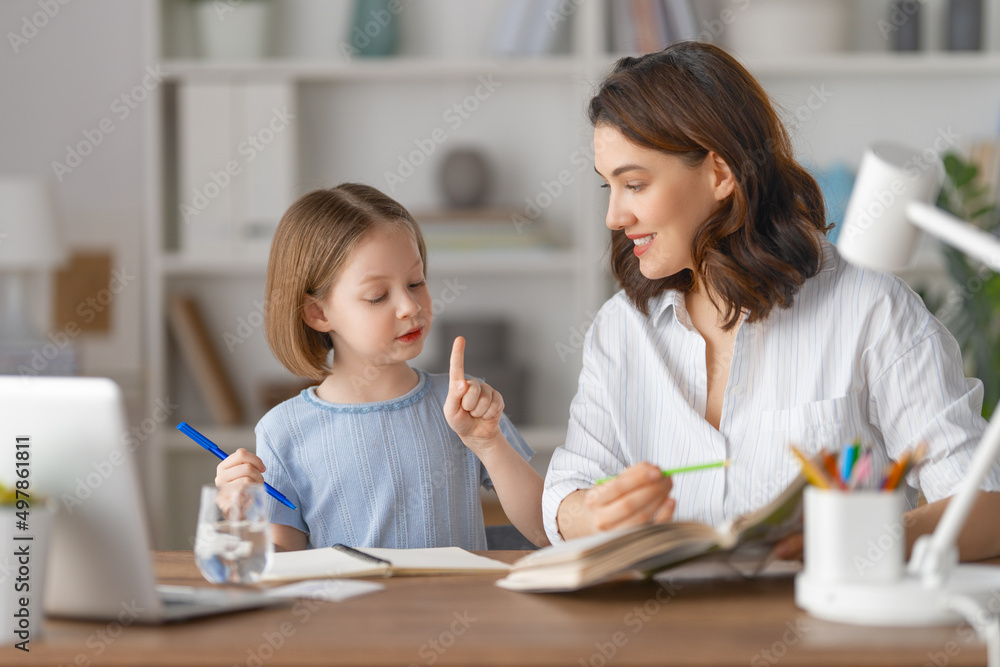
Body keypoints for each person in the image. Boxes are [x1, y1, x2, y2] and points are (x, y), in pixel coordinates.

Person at [543, 42, 1000, 561]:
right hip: (664, 632)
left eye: (634, 184)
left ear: (719, 174)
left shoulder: (872, 311)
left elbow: (985, 508)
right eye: (608, 186)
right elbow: (568, 487)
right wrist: (591, 515)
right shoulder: (622, 328)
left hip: (830, 629)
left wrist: (864, 538)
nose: (614, 216)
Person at [215, 183, 549, 551]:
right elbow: (285, 564)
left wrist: (490, 444)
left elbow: (545, 529)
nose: (409, 306)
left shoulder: (465, 404)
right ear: (318, 313)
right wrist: (245, 516)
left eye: (416, 282)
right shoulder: (284, 432)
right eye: (378, 296)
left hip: (458, 609)